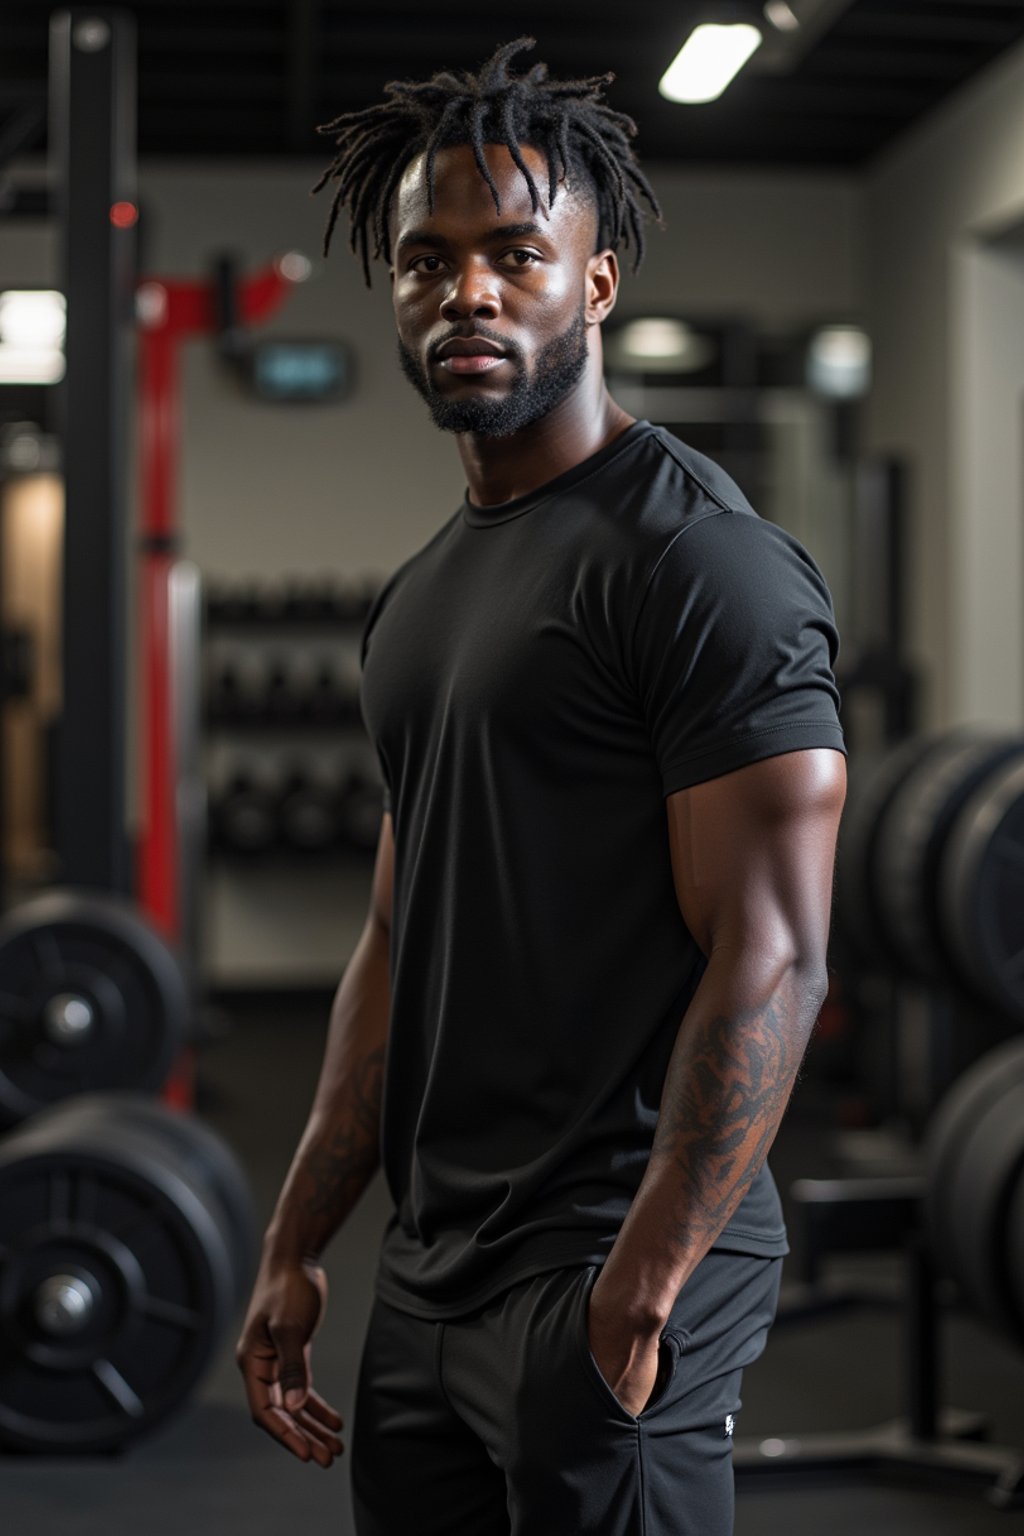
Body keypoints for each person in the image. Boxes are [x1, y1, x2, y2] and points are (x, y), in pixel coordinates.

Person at [236, 36, 847, 1536]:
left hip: (611, 1257)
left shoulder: (697, 563)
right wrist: (303, 1235)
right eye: (427, 261)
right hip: (437, 1266)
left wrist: (643, 1286)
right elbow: (399, 936)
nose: (470, 293)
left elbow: (775, 954)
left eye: (517, 253)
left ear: (596, 284)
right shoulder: (423, 596)